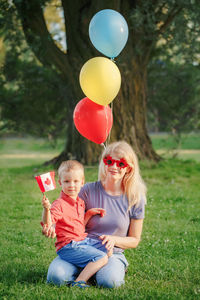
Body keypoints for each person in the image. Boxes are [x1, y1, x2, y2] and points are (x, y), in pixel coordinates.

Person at [43, 141, 147, 288]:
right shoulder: (86, 190)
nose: (114, 167)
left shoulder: (135, 198)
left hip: (112, 253)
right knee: (56, 278)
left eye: (121, 163)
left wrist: (113, 239)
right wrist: (52, 225)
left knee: (109, 282)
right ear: (103, 162)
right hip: (79, 247)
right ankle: (87, 274)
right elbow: (64, 209)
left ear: (129, 168)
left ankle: (95, 273)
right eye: (109, 161)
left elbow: (134, 240)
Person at [41, 160, 113, 289]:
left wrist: (89, 214)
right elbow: (49, 222)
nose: (71, 185)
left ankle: (88, 272)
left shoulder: (80, 202)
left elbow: (78, 226)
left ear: (82, 182)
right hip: (68, 246)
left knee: (108, 249)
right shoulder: (59, 204)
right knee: (101, 257)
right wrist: (46, 209)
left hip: (81, 241)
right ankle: (79, 281)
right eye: (67, 181)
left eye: (75, 181)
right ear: (60, 182)